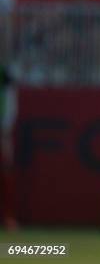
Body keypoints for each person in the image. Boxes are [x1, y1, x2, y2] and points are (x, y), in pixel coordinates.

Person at [0, 64, 18, 230]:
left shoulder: (4, 73)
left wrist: (5, 130)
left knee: (5, 174)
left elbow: (11, 102)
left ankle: (8, 217)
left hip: (2, 132)